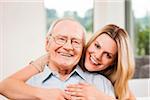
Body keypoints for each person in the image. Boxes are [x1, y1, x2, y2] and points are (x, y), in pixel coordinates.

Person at [0, 19, 115, 100]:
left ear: (83, 48)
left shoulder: (102, 84)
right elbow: (4, 86)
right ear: (47, 44)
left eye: (75, 42)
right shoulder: (27, 85)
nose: (68, 47)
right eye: (61, 39)